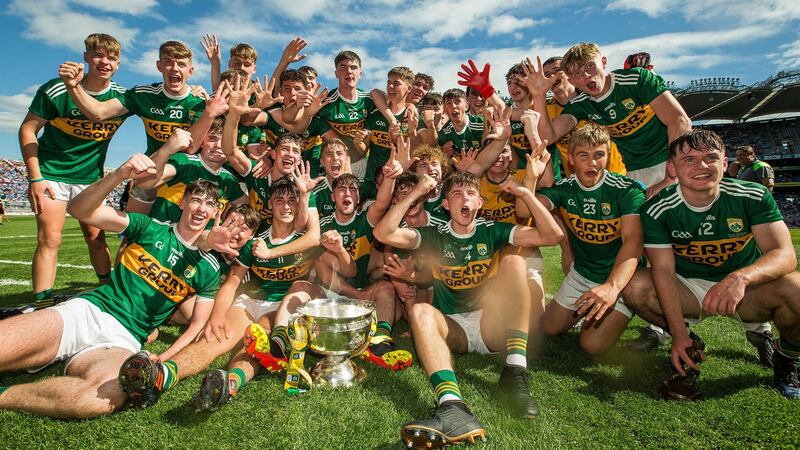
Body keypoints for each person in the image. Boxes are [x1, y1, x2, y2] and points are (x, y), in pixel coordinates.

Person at [0, 156, 222, 418]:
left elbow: (197, 325)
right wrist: (119, 174)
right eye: (196, 200)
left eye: (209, 204)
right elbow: (80, 210)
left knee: (102, 400)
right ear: (182, 202)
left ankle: (6, 394)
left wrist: (164, 357)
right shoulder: (149, 227)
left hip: (123, 340)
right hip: (88, 312)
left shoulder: (209, 267)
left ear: (215, 212)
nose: (201, 209)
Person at [375, 166, 563, 447]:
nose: (464, 199)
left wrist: (526, 192)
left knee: (513, 262)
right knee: (419, 312)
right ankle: (452, 407)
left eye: (471, 194)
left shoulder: (492, 231)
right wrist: (416, 192)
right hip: (454, 329)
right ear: (446, 204)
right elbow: (383, 232)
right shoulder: (433, 235)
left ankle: (515, 371)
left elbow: (553, 236)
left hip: (491, 323)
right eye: (457, 194)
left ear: (479, 203)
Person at [622, 129, 800, 400]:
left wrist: (741, 278)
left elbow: (785, 255)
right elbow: (664, 271)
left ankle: (786, 357)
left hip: (747, 290)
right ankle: (688, 343)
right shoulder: (657, 209)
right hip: (690, 287)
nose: (701, 166)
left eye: (710, 158)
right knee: (636, 286)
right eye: (689, 159)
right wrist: (679, 333)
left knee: (796, 288)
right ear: (672, 168)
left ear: (725, 163)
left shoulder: (751, 195)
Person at [20, 33, 128, 304]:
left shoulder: (123, 98)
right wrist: (36, 177)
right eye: (98, 55)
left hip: (90, 179)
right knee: (50, 239)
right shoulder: (56, 89)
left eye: (112, 57)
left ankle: (106, 289)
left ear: (118, 63)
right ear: (86, 57)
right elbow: (28, 128)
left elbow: (160, 103)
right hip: (52, 174)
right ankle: (43, 302)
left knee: (96, 238)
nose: (105, 62)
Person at [523, 43, 691, 196]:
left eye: (590, 65)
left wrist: (672, 175)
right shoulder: (581, 105)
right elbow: (548, 137)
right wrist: (538, 96)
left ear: (603, 62)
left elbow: (680, 121)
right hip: (634, 171)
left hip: (672, 161)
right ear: (572, 80)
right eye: (577, 73)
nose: (587, 75)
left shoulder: (636, 80)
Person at [535, 123, 645, 354]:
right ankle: (587, 307)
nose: (592, 163)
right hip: (583, 274)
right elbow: (526, 211)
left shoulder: (626, 190)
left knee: (591, 345)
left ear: (608, 156)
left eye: (599, 155)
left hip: (619, 278)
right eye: (584, 156)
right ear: (572, 158)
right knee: (548, 327)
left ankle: (626, 304)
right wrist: (528, 180)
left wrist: (612, 287)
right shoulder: (564, 189)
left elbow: (633, 241)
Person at [537, 56, 627, 178]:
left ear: (569, 73)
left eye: (557, 71)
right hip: (577, 182)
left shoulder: (592, 98)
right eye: (547, 75)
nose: (553, 77)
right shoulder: (545, 108)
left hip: (613, 173)